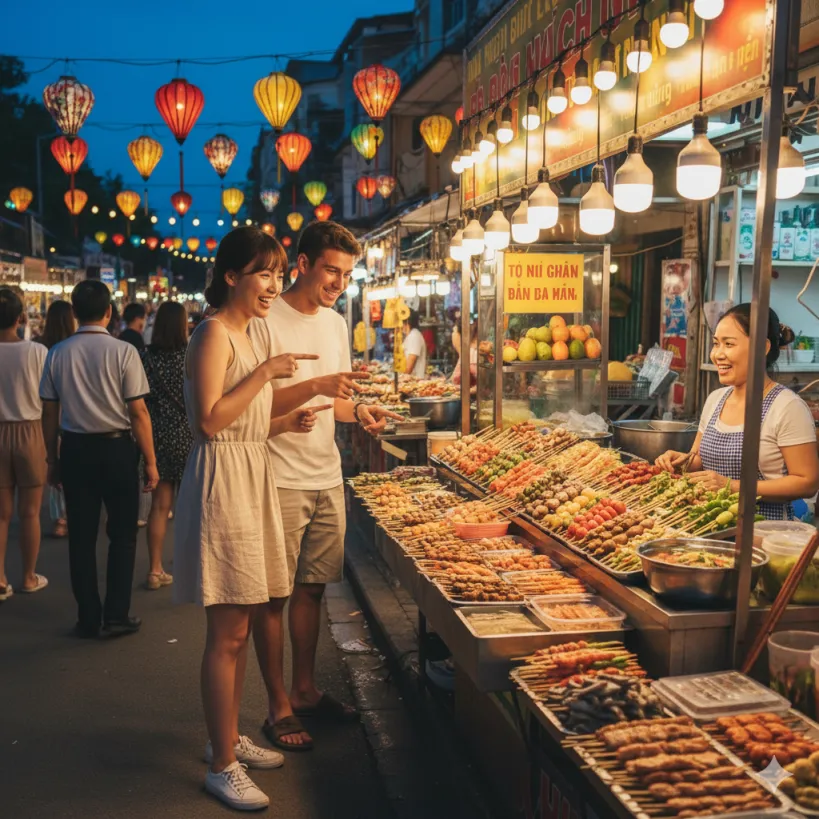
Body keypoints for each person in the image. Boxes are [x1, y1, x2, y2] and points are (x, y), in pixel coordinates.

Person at [174, 226, 330, 810]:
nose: (273, 285)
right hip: (223, 485)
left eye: (277, 271)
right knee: (228, 632)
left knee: (241, 627)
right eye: (263, 272)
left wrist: (282, 422)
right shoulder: (214, 334)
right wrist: (265, 374)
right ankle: (221, 764)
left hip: (251, 473)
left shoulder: (254, 330)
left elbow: (244, 421)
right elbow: (211, 424)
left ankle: (231, 737)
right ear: (232, 276)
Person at [256, 221, 402, 752]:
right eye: (330, 271)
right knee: (273, 595)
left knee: (313, 589)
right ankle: (277, 706)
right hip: (276, 475)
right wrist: (312, 387)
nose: (339, 283)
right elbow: (250, 406)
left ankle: (305, 689)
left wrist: (360, 409)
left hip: (325, 473)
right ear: (302, 263)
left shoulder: (338, 324)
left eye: (346, 274)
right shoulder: (265, 317)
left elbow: (336, 400)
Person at [40, 280, 159, 638]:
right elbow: (138, 412)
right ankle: (116, 615)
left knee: (81, 537)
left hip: (75, 449)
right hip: (117, 450)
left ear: (74, 312)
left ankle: (88, 617)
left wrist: (51, 458)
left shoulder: (58, 352)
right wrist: (150, 462)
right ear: (110, 312)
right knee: (122, 535)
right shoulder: (124, 352)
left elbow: (49, 412)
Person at [656, 304, 819, 519]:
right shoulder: (716, 399)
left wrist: (732, 486)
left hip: (764, 533)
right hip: (711, 525)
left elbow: (807, 483)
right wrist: (682, 462)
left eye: (729, 344)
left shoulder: (787, 407)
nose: (717, 354)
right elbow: (699, 459)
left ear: (763, 347)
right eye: (716, 344)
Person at [140, 301, 193, 590]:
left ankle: (154, 569)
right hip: (190, 436)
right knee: (191, 507)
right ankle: (190, 567)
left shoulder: (146, 358)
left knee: (159, 508)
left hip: (157, 438)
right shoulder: (190, 356)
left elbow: (140, 403)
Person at [0, 288, 49, 600]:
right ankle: (28, 577)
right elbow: (49, 398)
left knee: (1, 514)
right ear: (21, 317)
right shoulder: (37, 353)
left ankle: (0, 580)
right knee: (30, 512)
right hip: (31, 431)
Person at [40, 300, 76, 538]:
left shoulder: (40, 348)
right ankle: (69, 515)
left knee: (53, 468)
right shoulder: (70, 349)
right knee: (69, 470)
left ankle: (59, 518)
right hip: (69, 417)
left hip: (41, 417)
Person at [403, 309, 428, 378]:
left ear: (407, 322)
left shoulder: (414, 336)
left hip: (414, 382)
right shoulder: (411, 335)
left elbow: (409, 367)